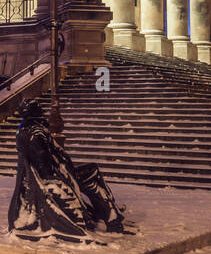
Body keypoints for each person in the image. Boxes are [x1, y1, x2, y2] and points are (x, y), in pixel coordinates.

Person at [7, 100, 127, 241]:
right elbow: (43, 161)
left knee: (92, 172)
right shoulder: (36, 131)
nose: (42, 112)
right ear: (35, 112)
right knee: (92, 175)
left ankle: (110, 216)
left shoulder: (26, 129)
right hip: (58, 176)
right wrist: (58, 174)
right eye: (39, 109)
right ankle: (111, 218)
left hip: (59, 173)